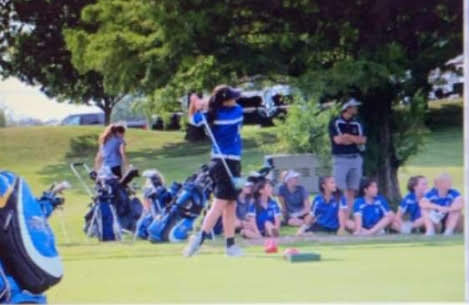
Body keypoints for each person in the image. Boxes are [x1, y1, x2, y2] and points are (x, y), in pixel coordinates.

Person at [184, 85, 245, 257]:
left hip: (226, 163)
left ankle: (230, 245)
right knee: (220, 204)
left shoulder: (211, 115)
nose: (236, 100)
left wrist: (194, 103)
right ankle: (198, 239)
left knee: (231, 204)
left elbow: (192, 119)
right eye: (232, 97)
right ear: (225, 101)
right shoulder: (235, 113)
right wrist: (202, 102)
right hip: (225, 163)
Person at [329, 98, 367, 210]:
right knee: (340, 187)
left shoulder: (358, 122)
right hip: (340, 158)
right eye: (353, 106)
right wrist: (353, 139)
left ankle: (349, 211)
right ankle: (339, 211)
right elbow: (338, 140)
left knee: (352, 187)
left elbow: (362, 140)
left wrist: (348, 137)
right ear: (347, 108)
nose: (356, 109)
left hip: (355, 158)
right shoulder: (335, 122)